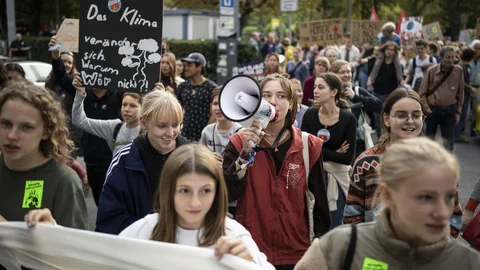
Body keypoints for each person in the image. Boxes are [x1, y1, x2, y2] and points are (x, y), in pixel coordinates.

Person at [23, 145, 275, 269]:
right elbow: (97, 262)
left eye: (205, 191)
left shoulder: (233, 235)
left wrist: (250, 263)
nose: (195, 202)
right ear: (168, 190)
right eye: (184, 190)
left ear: (218, 192)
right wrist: (53, 235)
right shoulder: (144, 230)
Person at [295, 137, 480, 270]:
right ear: (388, 195)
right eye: (426, 197)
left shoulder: (468, 263)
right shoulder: (338, 248)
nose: (442, 212)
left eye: (449, 197)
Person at [223, 74, 330, 269]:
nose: (273, 101)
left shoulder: (309, 145)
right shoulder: (238, 143)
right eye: (266, 95)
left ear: (291, 103)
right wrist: (246, 153)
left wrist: (319, 247)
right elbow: (229, 192)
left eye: (281, 96)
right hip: (251, 251)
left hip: (297, 252)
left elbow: (320, 203)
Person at [343, 88, 463, 238]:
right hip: (378, 254)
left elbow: (454, 217)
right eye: (401, 115)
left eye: (416, 115)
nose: (410, 121)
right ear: (386, 119)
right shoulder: (366, 162)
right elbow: (352, 215)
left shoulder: (439, 163)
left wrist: (433, 250)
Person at [96, 90, 189, 235]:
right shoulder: (125, 159)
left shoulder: (193, 160)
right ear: (144, 122)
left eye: (176, 125)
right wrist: (152, 233)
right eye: (162, 126)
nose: (170, 133)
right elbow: (110, 217)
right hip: (137, 249)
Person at [0, 83, 87, 229]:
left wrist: (50, 233)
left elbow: (76, 248)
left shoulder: (64, 182)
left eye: (26, 127)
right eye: (5, 124)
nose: (12, 135)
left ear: (46, 131)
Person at [48, 36, 123, 206]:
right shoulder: (82, 93)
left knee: (115, 202)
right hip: (92, 159)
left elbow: (138, 97)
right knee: (99, 201)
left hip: (114, 159)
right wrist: (55, 55)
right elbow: (61, 76)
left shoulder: (118, 95)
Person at [301, 73, 357, 228]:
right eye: (315, 87)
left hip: (337, 180)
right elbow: (303, 147)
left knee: (335, 225)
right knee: (313, 224)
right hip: (313, 177)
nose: (315, 91)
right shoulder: (310, 114)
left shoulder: (348, 118)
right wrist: (334, 153)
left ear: (334, 92)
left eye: (320, 87)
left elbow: (347, 158)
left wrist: (317, 149)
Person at [72, 74, 142, 155]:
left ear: (143, 109)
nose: (127, 109)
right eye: (124, 105)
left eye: (133, 106)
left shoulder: (149, 131)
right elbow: (79, 120)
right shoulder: (114, 127)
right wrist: (79, 93)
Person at [330, 60, 382, 157]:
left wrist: (356, 97)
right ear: (333, 75)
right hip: (337, 141)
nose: (347, 75)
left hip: (358, 141)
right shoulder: (329, 92)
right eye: (342, 72)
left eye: (348, 71)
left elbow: (379, 106)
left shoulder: (357, 90)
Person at [419, 46, 464, 151]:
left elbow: (460, 94)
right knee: (429, 140)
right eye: (448, 57)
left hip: (450, 111)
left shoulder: (458, 71)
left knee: (448, 142)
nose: (451, 60)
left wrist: (458, 113)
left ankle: (447, 165)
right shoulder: (431, 71)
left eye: (453, 57)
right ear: (441, 58)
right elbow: (422, 93)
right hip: (432, 110)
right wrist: (426, 108)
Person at [45, 50, 83, 157]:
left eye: (69, 62)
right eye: (64, 61)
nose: (66, 64)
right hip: (52, 131)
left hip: (70, 133)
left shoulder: (76, 85)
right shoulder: (49, 83)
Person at [176, 52, 217, 142]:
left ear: (199, 67)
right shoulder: (182, 86)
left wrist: (204, 135)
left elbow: (214, 114)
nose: (186, 68)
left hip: (204, 137)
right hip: (184, 135)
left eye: (189, 65)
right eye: (185, 65)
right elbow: (177, 109)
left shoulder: (211, 87)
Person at [368, 41, 404, 136]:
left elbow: (400, 79)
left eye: (392, 50)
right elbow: (372, 75)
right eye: (387, 49)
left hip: (391, 94)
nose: (389, 52)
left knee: (390, 116)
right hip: (377, 93)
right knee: (378, 117)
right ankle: (380, 138)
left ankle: (389, 137)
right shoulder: (377, 62)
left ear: (395, 52)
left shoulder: (398, 66)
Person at [455, 47, 475, 143]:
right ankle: (456, 135)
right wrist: (470, 88)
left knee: (463, 115)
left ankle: (457, 133)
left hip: (465, 94)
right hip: (461, 94)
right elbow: (460, 81)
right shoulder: (461, 66)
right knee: (461, 114)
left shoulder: (466, 66)